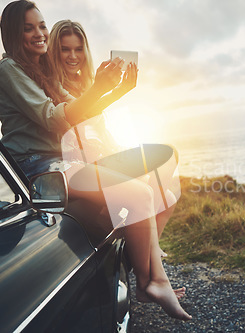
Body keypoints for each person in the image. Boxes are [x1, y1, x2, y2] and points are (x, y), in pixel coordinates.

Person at [0, 0, 191, 321]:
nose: (39, 33)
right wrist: (99, 88)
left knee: (155, 176)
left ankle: (148, 272)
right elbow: (56, 119)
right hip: (39, 169)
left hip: (63, 164)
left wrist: (115, 92)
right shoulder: (8, 70)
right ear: (12, 34)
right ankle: (151, 281)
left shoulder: (39, 71)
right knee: (139, 194)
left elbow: (78, 110)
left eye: (42, 25)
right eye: (28, 28)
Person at [49, 19, 176, 258]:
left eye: (78, 49)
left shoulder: (86, 84)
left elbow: (99, 131)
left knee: (167, 197)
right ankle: (147, 263)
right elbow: (79, 117)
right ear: (55, 51)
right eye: (65, 49)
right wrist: (113, 91)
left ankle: (144, 256)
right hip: (76, 166)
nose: (72, 56)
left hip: (98, 159)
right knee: (148, 189)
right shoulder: (53, 86)